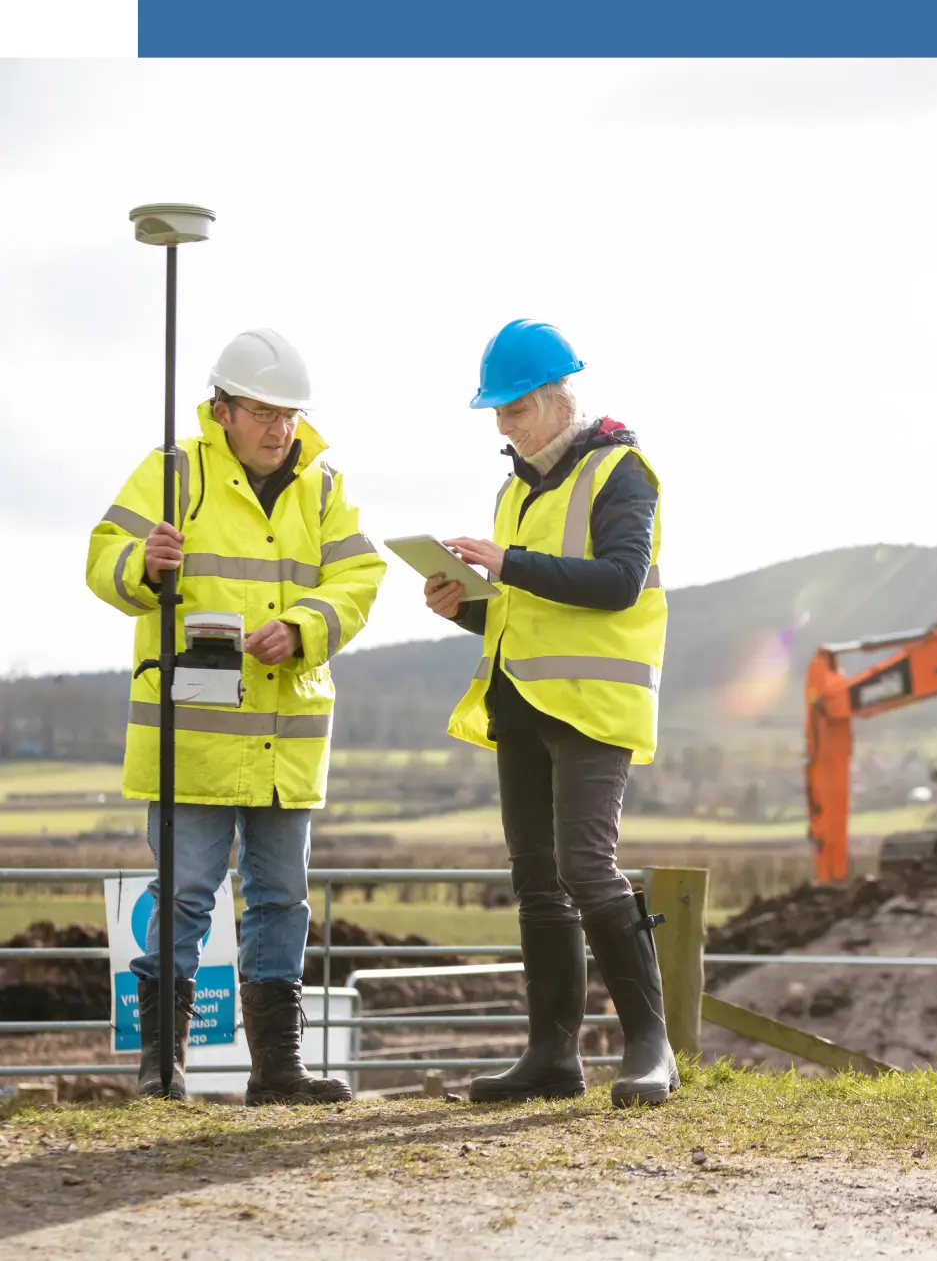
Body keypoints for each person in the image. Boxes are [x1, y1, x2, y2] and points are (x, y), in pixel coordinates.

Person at [86, 328, 386, 1103]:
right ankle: (162, 1068)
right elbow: (102, 555)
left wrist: (306, 625)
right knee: (184, 896)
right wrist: (139, 563)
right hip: (194, 737)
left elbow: (360, 574)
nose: (278, 427)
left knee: (282, 899)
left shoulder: (324, 486)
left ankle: (278, 1071)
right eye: (262, 411)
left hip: (286, 738)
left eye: (289, 413)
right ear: (222, 410)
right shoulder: (171, 472)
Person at [425, 318, 675, 1109]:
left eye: (515, 410)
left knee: (585, 868)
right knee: (536, 880)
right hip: (521, 698)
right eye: (496, 413)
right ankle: (551, 1056)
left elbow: (617, 583)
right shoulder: (515, 489)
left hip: (593, 704)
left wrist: (508, 563)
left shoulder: (621, 472)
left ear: (556, 399)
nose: (504, 425)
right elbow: (523, 609)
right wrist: (464, 606)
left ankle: (650, 1047)